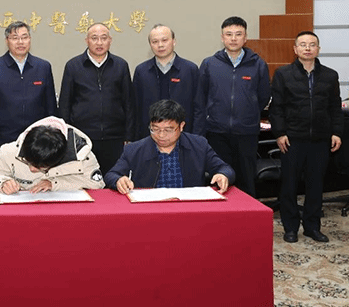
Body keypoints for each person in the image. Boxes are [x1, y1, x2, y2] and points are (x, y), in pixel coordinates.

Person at [270, 31, 343, 243]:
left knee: (316, 185)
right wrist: (280, 133)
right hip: (292, 139)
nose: (308, 48)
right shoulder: (283, 74)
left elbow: (335, 107)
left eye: (312, 44)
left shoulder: (330, 75)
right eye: (303, 44)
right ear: (295, 49)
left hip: (320, 139)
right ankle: (290, 227)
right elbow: (277, 108)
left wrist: (337, 132)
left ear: (318, 49)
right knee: (289, 185)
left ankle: (312, 227)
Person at [194, 16, 270, 197]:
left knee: (246, 181)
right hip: (216, 133)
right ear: (222, 37)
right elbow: (200, 99)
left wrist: (248, 114)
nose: (233, 38)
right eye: (229, 34)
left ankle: (247, 214)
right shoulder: (209, 64)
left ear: (245, 37)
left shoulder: (258, 64)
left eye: (238, 34)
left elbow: (263, 97)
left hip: (246, 133)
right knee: (219, 181)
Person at [105, 99, 233, 194]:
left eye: (168, 130)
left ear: (181, 126)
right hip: (149, 207)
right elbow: (112, 174)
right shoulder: (134, 149)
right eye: (155, 129)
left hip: (188, 206)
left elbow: (225, 168)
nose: (161, 135)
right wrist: (118, 180)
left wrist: (223, 175)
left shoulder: (199, 145)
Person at [59, 22, 134, 174]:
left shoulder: (120, 65)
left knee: (114, 179)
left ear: (110, 40)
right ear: (87, 40)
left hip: (115, 137)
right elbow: (65, 104)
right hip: (83, 138)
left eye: (103, 38)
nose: (99, 43)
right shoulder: (73, 66)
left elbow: (129, 103)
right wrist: (66, 135)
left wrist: (129, 135)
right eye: (94, 38)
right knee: (84, 180)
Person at [0, 21, 57, 156]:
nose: (20, 42)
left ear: (30, 39)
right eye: (15, 38)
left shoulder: (43, 67)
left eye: (24, 37)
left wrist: (53, 135)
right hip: (4, 138)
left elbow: (50, 106)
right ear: (7, 41)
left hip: (38, 138)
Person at [0, 116, 105, 193]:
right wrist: (2, 182)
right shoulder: (10, 150)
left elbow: (97, 184)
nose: (32, 169)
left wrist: (54, 183)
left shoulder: (83, 156)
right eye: (28, 162)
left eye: (41, 167)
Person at [132, 24, 199, 138]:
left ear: (174, 41)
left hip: (184, 135)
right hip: (150, 136)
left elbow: (199, 107)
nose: (160, 45)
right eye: (155, 42)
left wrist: (196, 137)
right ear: (150, 45)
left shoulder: (190, 69)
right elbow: (135, 108)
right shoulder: (141, 71)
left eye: (164, 40)